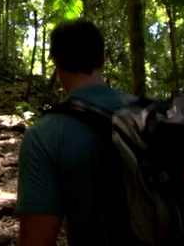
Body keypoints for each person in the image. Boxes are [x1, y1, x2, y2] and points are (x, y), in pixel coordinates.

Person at [16, 19, 137, 246]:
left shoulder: (45, 136)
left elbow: (36, 239)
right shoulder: (149, 116)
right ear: (102, 58)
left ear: (56, 61)